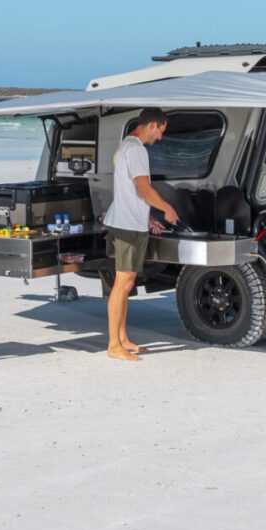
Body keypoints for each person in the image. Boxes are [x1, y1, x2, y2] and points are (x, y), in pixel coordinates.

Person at [103, 107, 178, 361]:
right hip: (127, 226)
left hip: (128, 221)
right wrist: (167, 208)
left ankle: (123, 339)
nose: (160, 137)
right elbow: (143, 188)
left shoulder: (125, 146)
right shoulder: (137, 150)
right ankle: (114, 345)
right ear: (152, 125)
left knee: (126, 284)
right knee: (122, 284)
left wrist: (147, 217)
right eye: (161, 131)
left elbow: (127, 191)